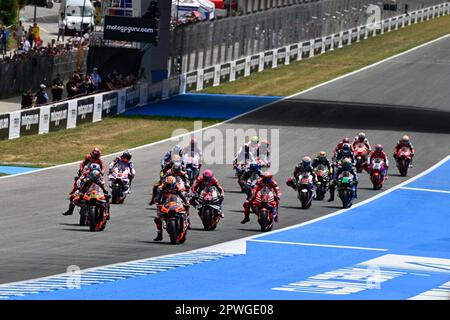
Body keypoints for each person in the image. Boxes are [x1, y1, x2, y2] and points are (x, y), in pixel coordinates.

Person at [153, 175, 189, 241]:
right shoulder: (162, 188)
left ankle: (186, 223)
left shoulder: (177, 187)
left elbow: (182, 196)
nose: (169, 187)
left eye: (171, 185)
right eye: (168, 185)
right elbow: (158, 198)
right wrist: (158, 203)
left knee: (184, 212)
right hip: (166, 204)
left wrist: (186, 202)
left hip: (177, 203)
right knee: (157, 219)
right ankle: (159, 234)